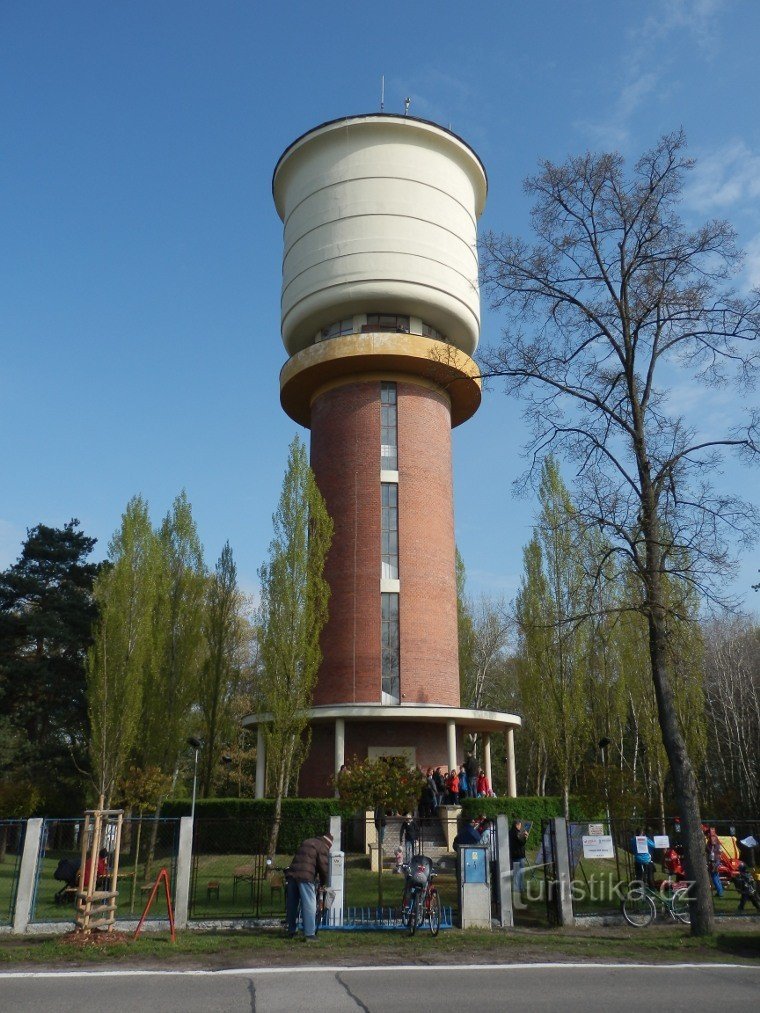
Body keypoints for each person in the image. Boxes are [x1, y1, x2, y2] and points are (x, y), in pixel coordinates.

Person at [285, 831, 333, 940]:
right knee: (309, 904)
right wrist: (323, 883)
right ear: (328, 844)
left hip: (292, 874)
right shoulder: (323, 847)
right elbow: (324, 867)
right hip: (305, 877)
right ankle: (310, 934)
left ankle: (291, 930)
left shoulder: (308, 841)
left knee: (292, 904)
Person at [509, 819, 528, 894]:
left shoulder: (510, 832)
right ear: (517, 825)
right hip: (519, 855)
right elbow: (521, 843)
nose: (520, 827)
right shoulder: (517, 833)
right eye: (520, 825)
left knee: (516, 872)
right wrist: (525, 837)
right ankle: (520, 888)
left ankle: (517, 888)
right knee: (520, 872)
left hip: (513, 854)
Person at [706, 827, 724, 897]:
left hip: (714, 861)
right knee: (716, 876)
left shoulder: (712, 839)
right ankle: (720, 891)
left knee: (714, 877)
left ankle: (720, 893)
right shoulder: (716, 839)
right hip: (717, 859)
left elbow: (710, 850)